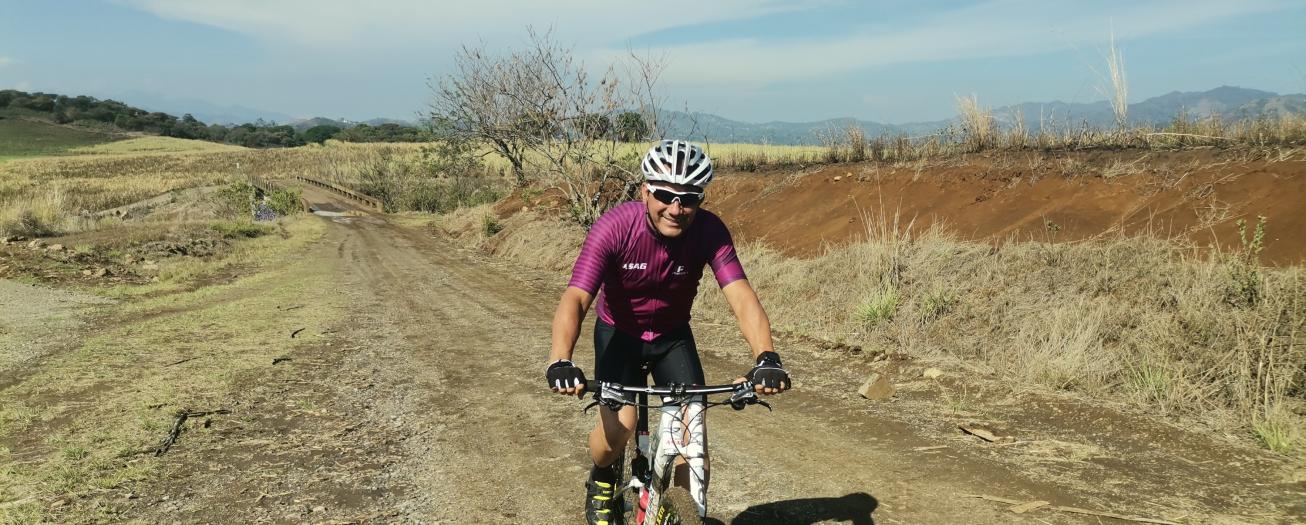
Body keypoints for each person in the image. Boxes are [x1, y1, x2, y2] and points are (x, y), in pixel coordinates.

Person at [545, 140, 790, 525]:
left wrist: (767, 357)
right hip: (619, 335)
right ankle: (603, 476)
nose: (676, 209)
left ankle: (680, 509)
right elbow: (576, 297)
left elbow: (741, 296)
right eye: (664, 195)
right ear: (646, 191)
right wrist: (560, 359)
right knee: (619, 431)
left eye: (689, 199)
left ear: (700, 200)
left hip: (672, 337)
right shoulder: (614, 227)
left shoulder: (709, 231)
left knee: (694, 445)